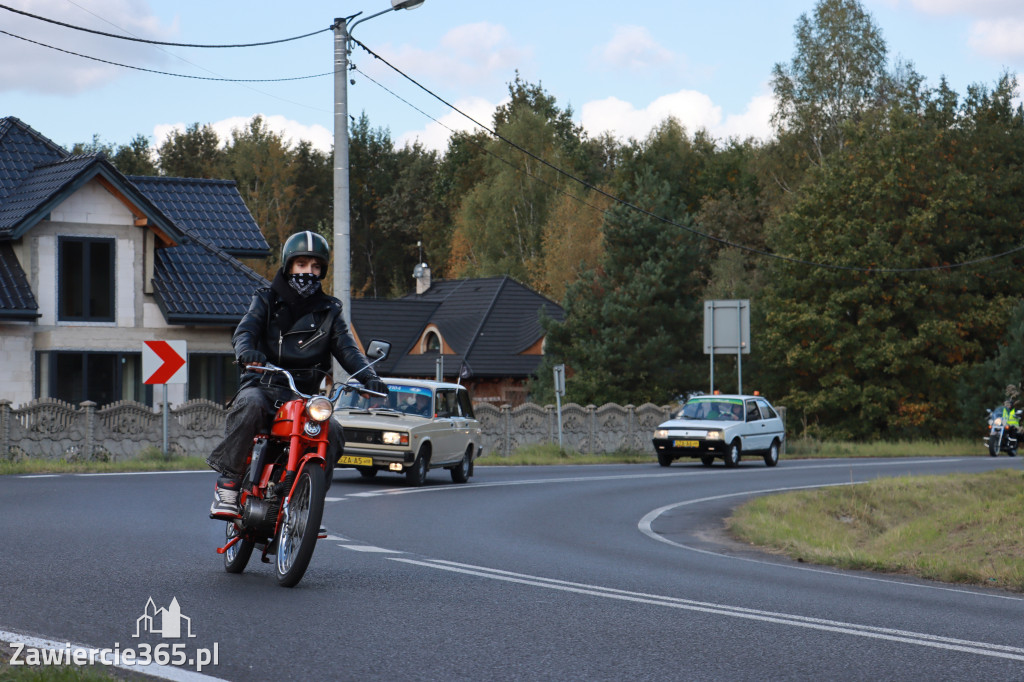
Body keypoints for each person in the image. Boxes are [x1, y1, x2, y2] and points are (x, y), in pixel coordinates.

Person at [207, 230, 387, 519]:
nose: (309, 272)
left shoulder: (330, 312)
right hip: (263, 382)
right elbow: (245, 331)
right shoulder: (265, 300)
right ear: (288, 265)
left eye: (316, 267)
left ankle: (308, 503)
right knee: (251, 404)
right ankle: (228, 484)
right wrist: (247, 353)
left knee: (335, 431)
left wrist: (369, 376)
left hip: (303, 395)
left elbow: (348, 350)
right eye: (302, 264)